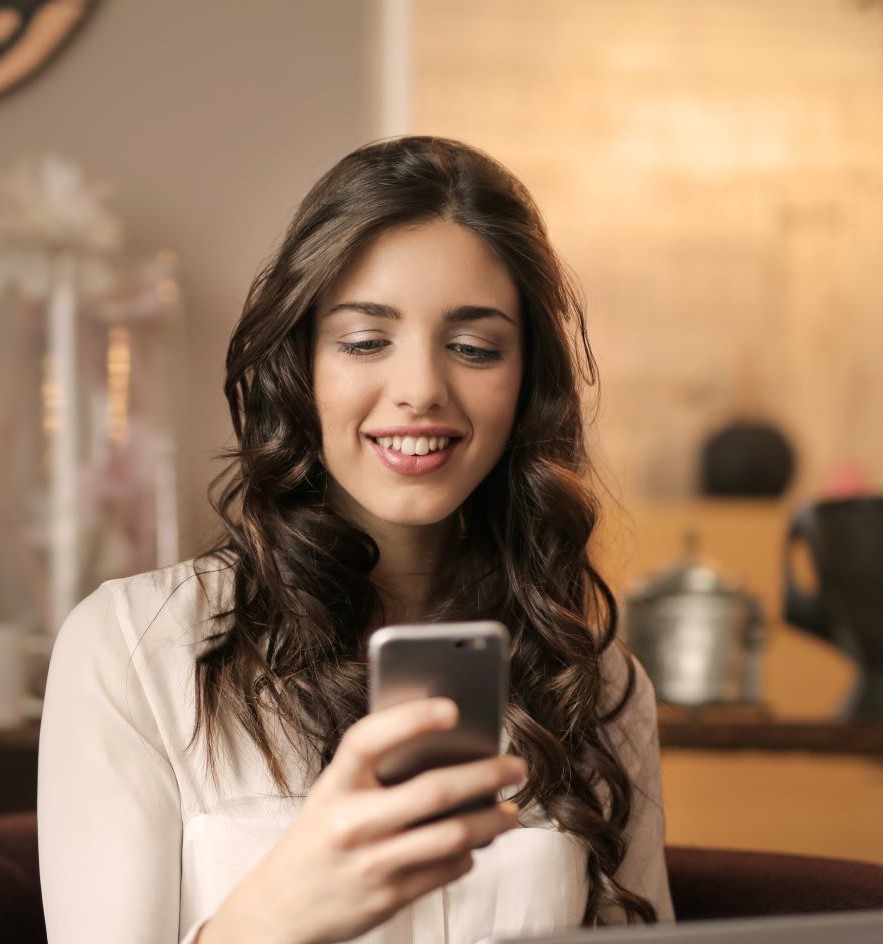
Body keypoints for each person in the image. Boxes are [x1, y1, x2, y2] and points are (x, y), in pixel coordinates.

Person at [37, 136, 673, 943]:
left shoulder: (600, 688)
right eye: (365, 341)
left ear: (526, 382)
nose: (419, 390)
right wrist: (273, 918)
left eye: (475, 348)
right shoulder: (133, 651)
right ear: (300, 366)